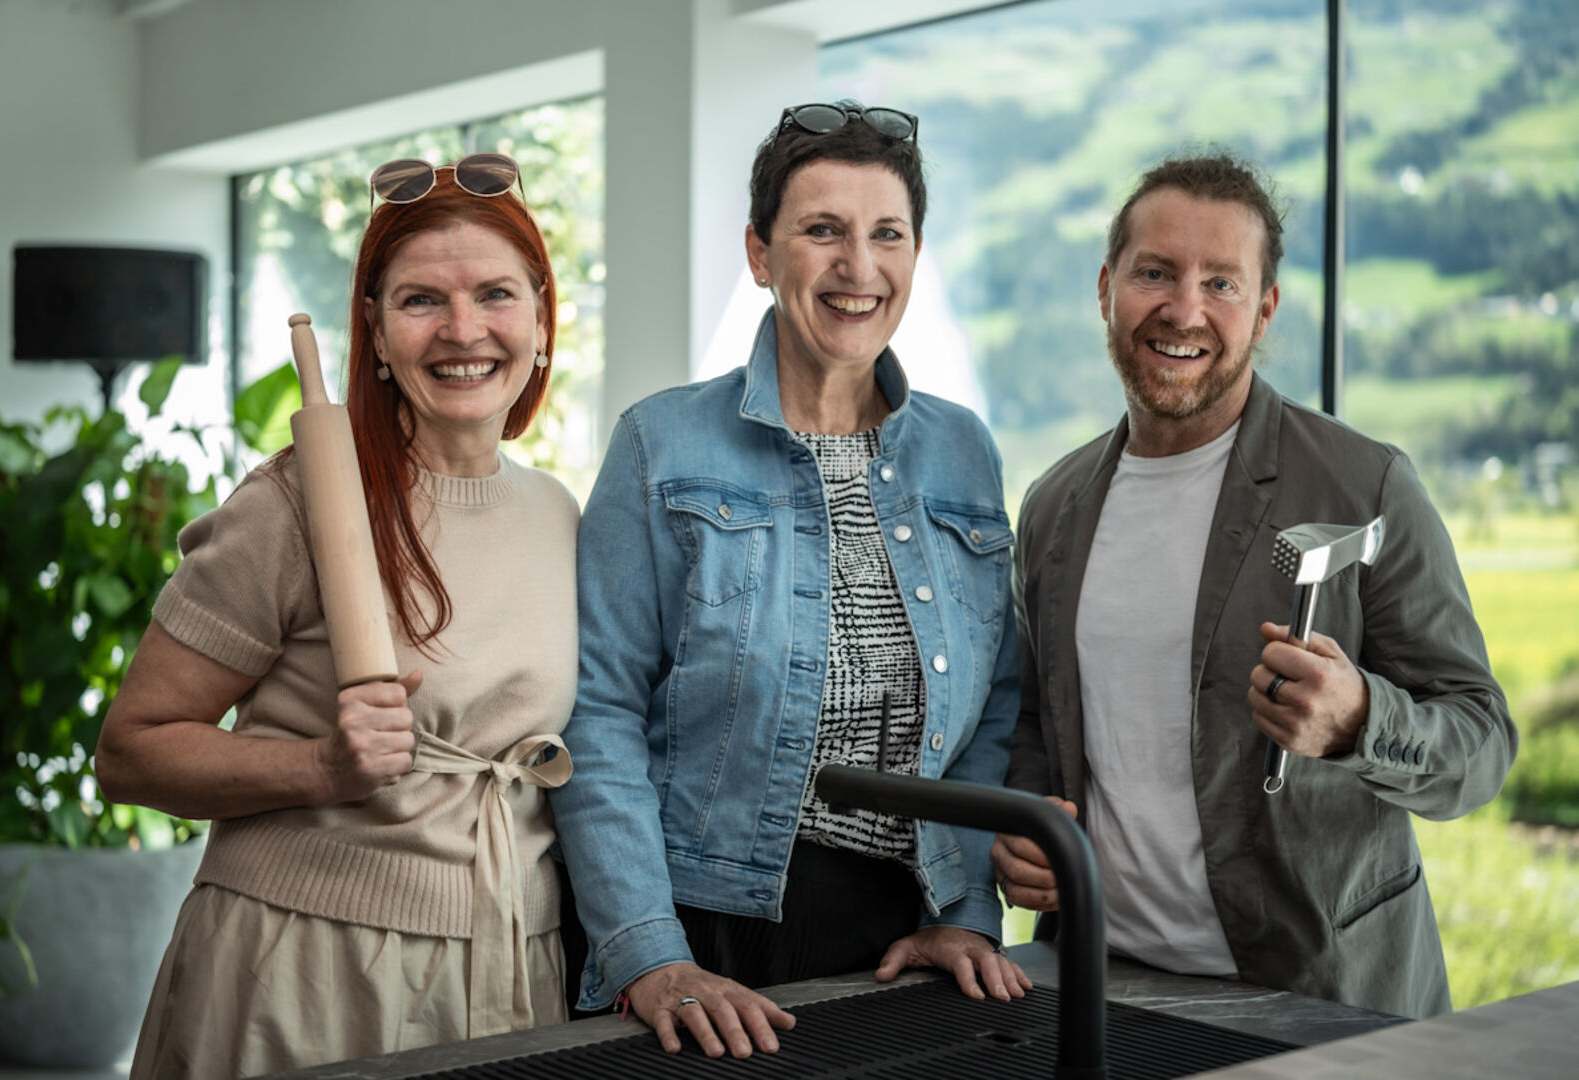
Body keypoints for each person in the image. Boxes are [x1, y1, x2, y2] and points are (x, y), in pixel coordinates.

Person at [549, 101, 1027, 1060]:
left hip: (903, 927)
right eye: (822, 231)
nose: (858, 267)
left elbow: (993, 713)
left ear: (915, 254)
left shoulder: (962, 450)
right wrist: (650, 955)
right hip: (706, 927)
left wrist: (969, 910)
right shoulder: (663, 442)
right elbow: (594, 713)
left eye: (885, 233)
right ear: (761, 256)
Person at [992, 152, 1516, 1019]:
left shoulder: (1365, 487)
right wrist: (1021, 824)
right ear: (1106, 287)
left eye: (1221, 283)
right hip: (1106, 988)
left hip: (1327, 997)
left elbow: (1481, 744)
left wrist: (1359, 722)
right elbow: (1038, 724)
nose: (1183, 308)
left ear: (1265, 308)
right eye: (1154, 272)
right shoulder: (1055, 506)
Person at [95, 152, 579, 1076]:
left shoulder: (560, 513)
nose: (463, 330)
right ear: (377, 332)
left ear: (544, 318)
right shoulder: (292, 504)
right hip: (306, 972)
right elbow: (130, 749)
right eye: (421, 301)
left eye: (496, 294)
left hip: (513, 968)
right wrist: (319, 764)